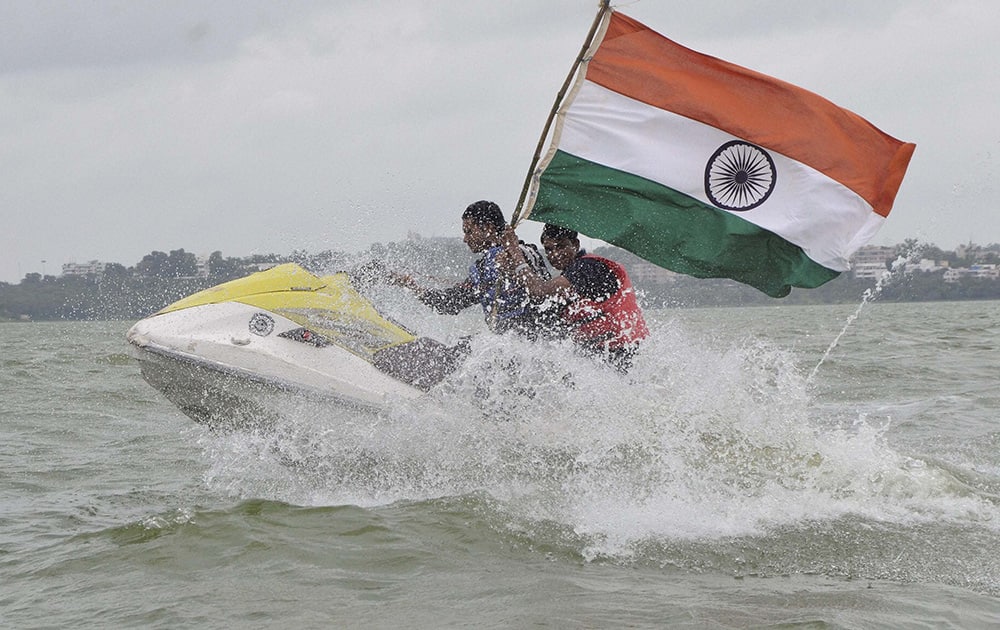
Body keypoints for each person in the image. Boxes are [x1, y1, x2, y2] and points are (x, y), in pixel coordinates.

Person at [500, 223, 649, 371]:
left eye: (561, 246)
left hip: (622, 353)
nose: (555, 254)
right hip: (597, 357)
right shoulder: (569, 281)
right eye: (549, 249)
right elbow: (538, 314)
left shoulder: (588, 267)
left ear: (575, 245)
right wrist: (512, 269)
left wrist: (515, 254)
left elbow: (539, 290)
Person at [390, 200, 553, 336]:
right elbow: (450, 303)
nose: (465, 239)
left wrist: (514, 260)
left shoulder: (525, 252)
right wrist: (411, 286)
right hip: (502, 344)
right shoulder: (481, 270)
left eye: (469, 231)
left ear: (488, 228)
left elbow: (541, 290)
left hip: (535, 341)